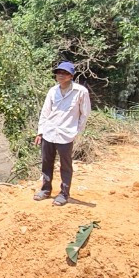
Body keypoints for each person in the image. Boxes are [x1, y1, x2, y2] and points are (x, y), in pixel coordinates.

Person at [33, 60, 91, 206]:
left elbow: (85, 114)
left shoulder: (80, 92)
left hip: (66, 134)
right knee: (46, 163)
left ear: (71, 76)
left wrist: (76, 132)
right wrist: (40, 132)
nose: (61, 75)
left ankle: (64, 194)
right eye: (59, 72)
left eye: (65, 73)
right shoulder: (53, 91)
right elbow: (45, 113)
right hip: (49, 132)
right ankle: (45, 190)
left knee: (65, 165)